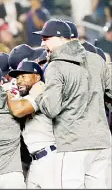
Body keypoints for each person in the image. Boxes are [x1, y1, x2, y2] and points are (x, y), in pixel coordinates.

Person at [20, 19, 111, 188]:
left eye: (46, 38)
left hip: (73, 144)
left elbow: (51, 109)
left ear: (61, 38)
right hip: (101, 143)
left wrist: (39, 95)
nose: (42, 42)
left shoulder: (56, 65)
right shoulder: (97, 60)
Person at [6, 61, 56, 188]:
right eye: (17, 77)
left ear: (37, 77)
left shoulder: (41, 90)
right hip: (36, 160)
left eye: (24, 76)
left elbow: (18, 110)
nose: (19, 81)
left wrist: (8, 95)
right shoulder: (27, 96)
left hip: (50, 158)